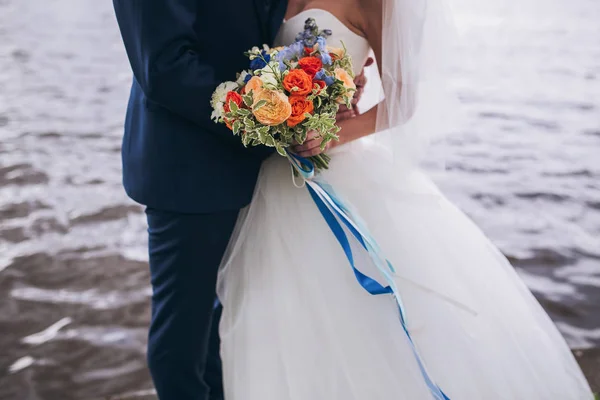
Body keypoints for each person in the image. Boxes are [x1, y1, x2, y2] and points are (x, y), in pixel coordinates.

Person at [216, 1, 595, 399]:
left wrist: (329, 134)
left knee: (352, 313)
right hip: (270, 175)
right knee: (272, 314)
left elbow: (402, 101)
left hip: (333, 168)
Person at [111, 1, 368, 399]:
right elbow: (164, 68)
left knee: (225, 328)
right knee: (183, 338)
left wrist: (328, 82)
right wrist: (274, 122)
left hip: (266, 174)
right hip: (190, 166)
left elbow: (261, 33)